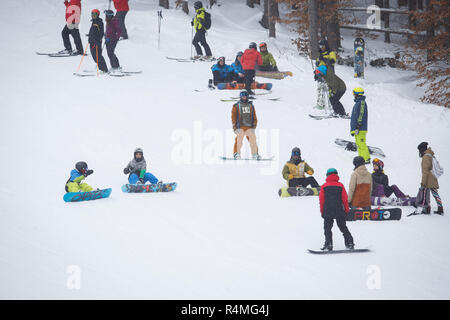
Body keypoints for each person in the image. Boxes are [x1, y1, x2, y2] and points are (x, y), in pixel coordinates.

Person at [319, 168, 354, 251]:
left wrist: (322, 211)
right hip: (339, 210)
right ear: (336, 175)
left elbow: (321, 201)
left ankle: (329, 244)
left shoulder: (324, 186)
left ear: (327, 175)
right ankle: (350, 243)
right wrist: (346, 210)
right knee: (343, 227)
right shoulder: (340, 185)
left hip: (327, 210)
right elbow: (345, 199)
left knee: (327, 228)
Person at [412, 142, 444, 215]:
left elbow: (425, 171)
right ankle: (440, 208)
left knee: (425, 194)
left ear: (422, 150)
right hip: (433, 177)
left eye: (419, 150)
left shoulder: (426, 157)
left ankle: (427, 209)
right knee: (434, 193)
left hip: (428, 179)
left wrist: (423, 182)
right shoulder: (430, 155)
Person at [232, 91, 260, 160]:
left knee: (252, 140)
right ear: (240, 97)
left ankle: (255, 154)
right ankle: (236, 153)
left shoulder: (251, 106)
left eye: (245, 96)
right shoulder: (236, 106)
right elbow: (233, 116)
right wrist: (234, 126)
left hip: (249, 126)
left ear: (247, 97)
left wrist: (254, 124)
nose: (244, 97)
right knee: (239, 140)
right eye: (242, 96)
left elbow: (254, 115)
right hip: (240, 126)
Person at [350, 87, 370, 163]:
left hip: (360, 128)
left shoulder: (361, 103)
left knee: (361, 144)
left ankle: (366, 159)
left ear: (357, 95)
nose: (354, 96)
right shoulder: (358, 103)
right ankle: (362, 159)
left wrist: (358, 126)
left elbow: (361, 115)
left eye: (354, 94)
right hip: (357, 129)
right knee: (359, 144)